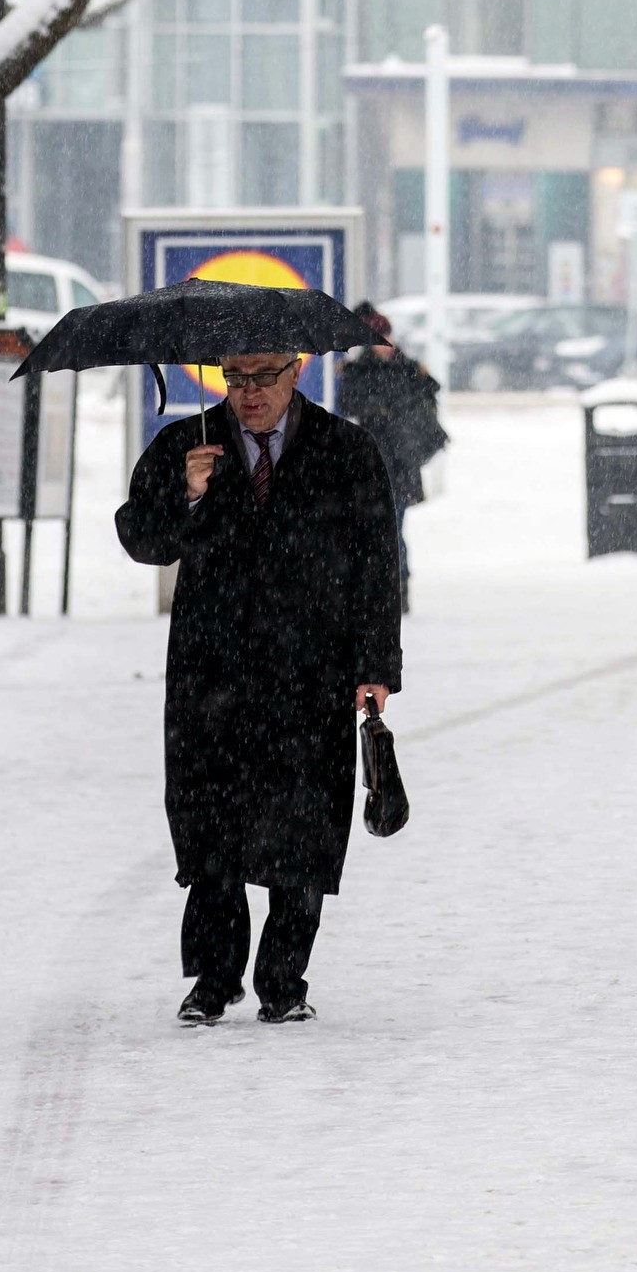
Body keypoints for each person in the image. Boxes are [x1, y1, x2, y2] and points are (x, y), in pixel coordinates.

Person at [115, 345, 402, 1027]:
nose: (249, 392)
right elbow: (141, 539)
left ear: (296, 372)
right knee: (210, 826)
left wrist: (375, 664)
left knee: (305, 827)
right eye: (236, 377)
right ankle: (213, 980)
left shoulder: (346, 451)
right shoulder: (187, 446)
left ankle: (283, 980)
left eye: (264, 377)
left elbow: (376, 563)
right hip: (211, 672)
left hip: (311, 670)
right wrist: (186, 494)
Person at [336, 309, 448, 610]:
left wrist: (421, 375)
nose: (385, 344)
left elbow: (431, 391)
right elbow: (348, 404)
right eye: (379, 339)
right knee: (376, 528)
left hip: (400, 463)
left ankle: (398, 586)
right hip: (372, 462)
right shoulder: (361, 370)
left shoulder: (405, 367)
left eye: (387, 336)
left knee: (393, 527)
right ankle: (384, 585)